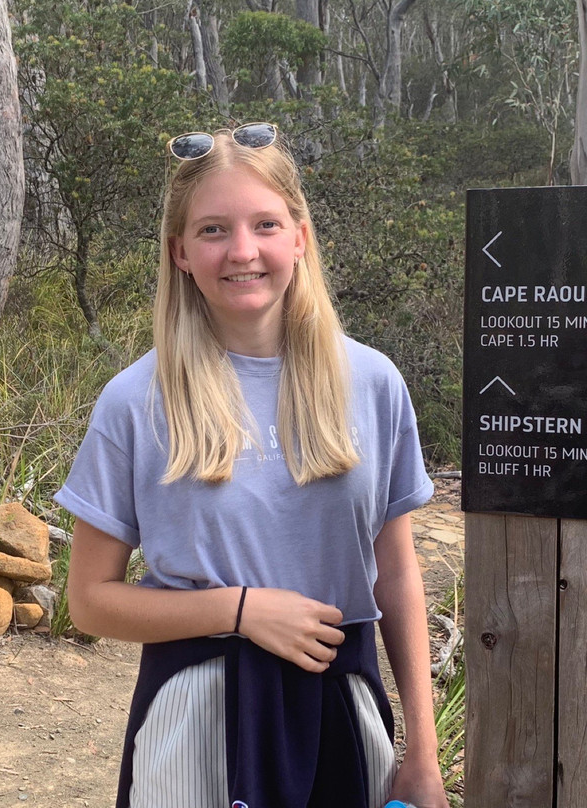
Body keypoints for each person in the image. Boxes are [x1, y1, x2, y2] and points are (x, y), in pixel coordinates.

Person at [54, 123, 449, 808]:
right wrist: (242, 611)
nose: (242, 251)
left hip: (342, 706)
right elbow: (89, 601)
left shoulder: (373, 383)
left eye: (265, 224)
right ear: (178, 251)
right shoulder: (135, 402)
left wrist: (424, 750)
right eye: (212, 231)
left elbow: (397, 576)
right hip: (196, 715)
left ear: (299, 235)